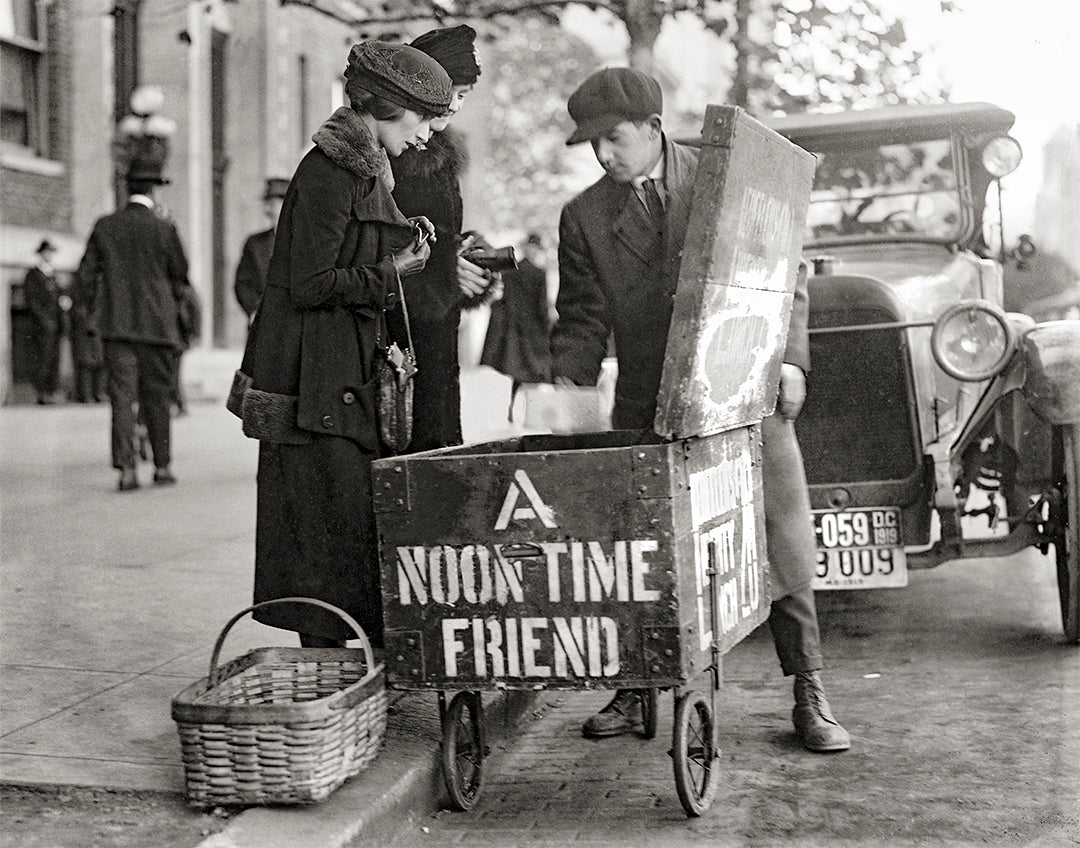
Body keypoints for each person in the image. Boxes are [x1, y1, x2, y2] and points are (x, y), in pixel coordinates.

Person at [551, 67, 851, 753]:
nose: (603, 155)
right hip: (647, 404)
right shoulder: (584, 217)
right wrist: (566, 392)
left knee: (782, 537)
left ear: (654, 128)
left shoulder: (729, 177)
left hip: (745, 386)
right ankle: (636, 688)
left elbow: (784, 270)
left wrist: (791, 361)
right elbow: (580, 320)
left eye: (614, 138)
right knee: (641, 545)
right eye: (591, 145)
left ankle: (809, 688)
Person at [227, 40, 451, 649]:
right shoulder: (331, 170)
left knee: (341, 529)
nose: (427, 134)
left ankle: (343, 663)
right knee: (321, 532)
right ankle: (328, 668)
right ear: (388, 106)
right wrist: (390, 271)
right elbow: (308, 282)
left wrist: (400, 248)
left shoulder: (362, 166)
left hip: (338, 380)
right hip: (314, 388)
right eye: (422, 119)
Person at [389, 24, 499, 452]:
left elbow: (443, 232)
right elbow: (377, 241)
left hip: (436, 330)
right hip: (399, 333)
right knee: (410, 446)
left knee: (437, 444)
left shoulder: (440, 154)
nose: (454, 105)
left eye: (464, 94)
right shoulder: (391, 153)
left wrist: (471, 259)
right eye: (451, 90)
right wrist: (445, 264)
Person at [75, 152, 192, 491]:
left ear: (127, 190)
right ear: (155, 190)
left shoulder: (105, 226)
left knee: (122, 397)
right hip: (158, 327)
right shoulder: (165, 228)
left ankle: (127, 470)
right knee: (157, 396)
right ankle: (162, 466)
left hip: (117, 326)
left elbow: (85, 276)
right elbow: (181, 275)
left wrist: (97, 309)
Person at [481, 232, 553, 419]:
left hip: (513, 329)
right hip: (532, 330)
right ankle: (528, 412)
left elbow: (502, 300)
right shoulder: (539, 273)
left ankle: (512, 407)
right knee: (533, 372)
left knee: (517, 371)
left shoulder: (510, 271)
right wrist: (547, 329)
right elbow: (542, 306)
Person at [234, 177, 289, 320]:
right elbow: (242, 284)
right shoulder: (255, 244)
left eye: (273, 203)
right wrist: (254, 310)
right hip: (263, 321)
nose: (267, 209)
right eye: (267, 203)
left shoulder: (307, 241)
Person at [23, 239, 64, 405]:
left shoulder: (52, 274)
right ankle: (42, 393)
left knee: (54, 359)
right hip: (41, 326)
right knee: (42, 359)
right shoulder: (33, 275)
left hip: (55, 324)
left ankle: (51, 391)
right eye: (46, 252)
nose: (49, 255)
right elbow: (32, 302)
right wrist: (45, 320)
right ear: (41, 254)